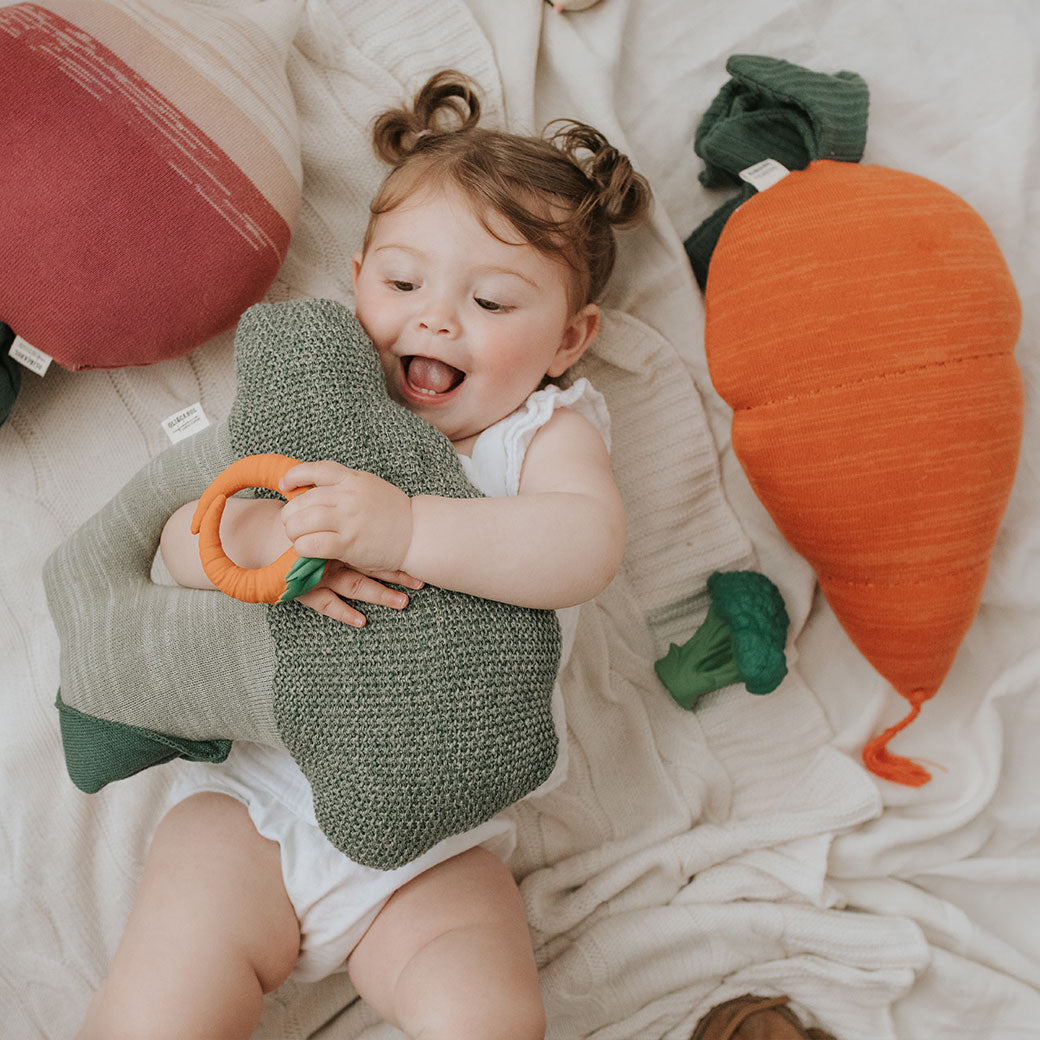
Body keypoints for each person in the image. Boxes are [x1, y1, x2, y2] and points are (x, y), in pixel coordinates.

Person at [78, 70, 651, 1040]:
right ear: (355, 286)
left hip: (436, 842)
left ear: (569, 338)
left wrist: (407, 529)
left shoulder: (535, 433)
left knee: (486, 1014)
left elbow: (581, 545)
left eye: (492, 300)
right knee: (157, 1011)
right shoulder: (315, 407)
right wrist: (266, 540)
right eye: (402, 283)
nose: (434, 317)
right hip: (253, 801)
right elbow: (179, 537)